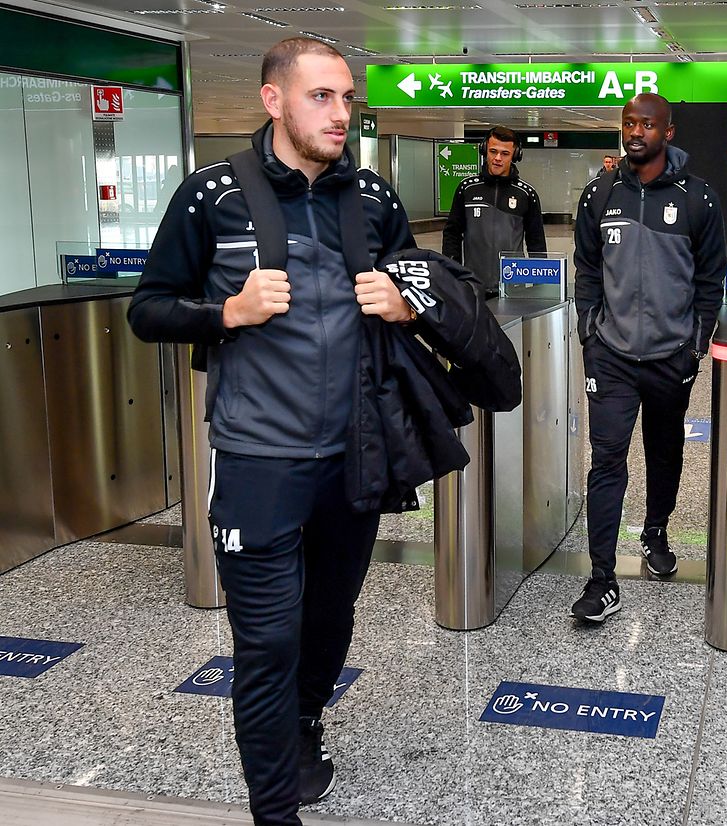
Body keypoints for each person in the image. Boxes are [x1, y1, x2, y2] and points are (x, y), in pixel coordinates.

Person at [127, 38, 418, 825]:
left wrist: (407, 301)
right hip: (259, 461)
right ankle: (274, 811)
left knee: (330, 618)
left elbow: (421, 277)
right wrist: (227, 311)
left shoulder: (375, 199)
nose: (340, 113)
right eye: (321, 97)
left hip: (355, 457)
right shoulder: (210, 196)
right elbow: (148, 308)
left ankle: (303, 723)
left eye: (347, 98)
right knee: (265, 645)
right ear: (274, 100)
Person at [570, 92, 725, 622]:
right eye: (629, 122)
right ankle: (602, 579)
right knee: (607, 461)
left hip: (669, 357)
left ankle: (656, 532)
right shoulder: (600, 194)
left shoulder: (698, 198)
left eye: (648, 124)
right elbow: (587, 268)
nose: (636, 132)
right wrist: (589, 330)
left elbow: (710, 279)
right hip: (610, 356)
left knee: (663, 453)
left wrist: (694, 346)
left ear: (669, 131)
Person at [443, 125, 547, 296]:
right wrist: (452, 274)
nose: (497, 158)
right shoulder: (467, 189)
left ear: (515, 155)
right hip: (473, 287)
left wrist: (540, 286)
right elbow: (452, 234)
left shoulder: (526, 194)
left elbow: (536, 242)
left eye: (505, 153)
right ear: (484, 150)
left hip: (513, 287)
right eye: (493, 151)